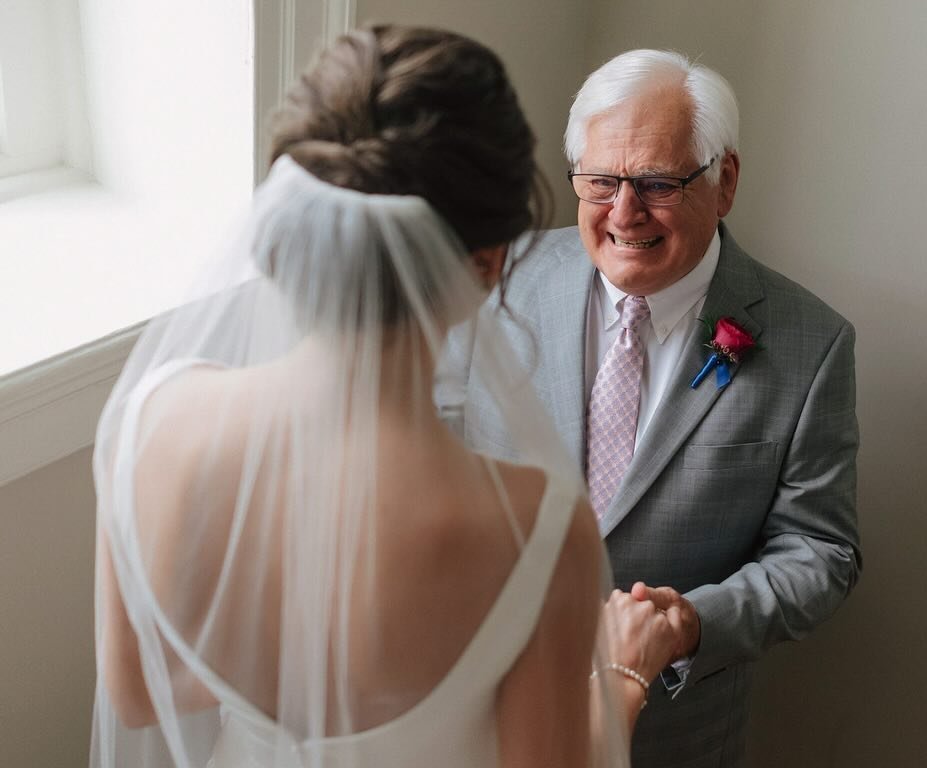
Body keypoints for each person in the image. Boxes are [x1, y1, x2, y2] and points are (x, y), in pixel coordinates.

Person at [92, 26, 677, 768]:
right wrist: (625, 672)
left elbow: (139, 696)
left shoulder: (151, 418)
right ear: (487, 264)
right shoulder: (535, 530)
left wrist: (288, 672)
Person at [438, 49, 862, 767]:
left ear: (723, 181)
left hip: (674, 734)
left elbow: (820, 551)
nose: (624, 212)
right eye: (600, 181)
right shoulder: (494, 280)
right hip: (474, 712)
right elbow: (425, 452)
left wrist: (694, 623)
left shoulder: (810, 344)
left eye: (658, 182)